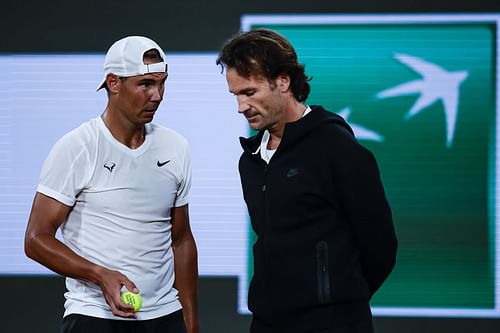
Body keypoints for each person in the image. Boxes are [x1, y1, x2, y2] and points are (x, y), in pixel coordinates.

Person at [216, 29, 398, 333]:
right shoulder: (250, 161)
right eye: (236, 95)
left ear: (283, 81)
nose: (241, 106)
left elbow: (381, 246)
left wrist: (338, 299)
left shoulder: (336, 148)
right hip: (267, 323)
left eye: (249, 93)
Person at [24, 36, 199, 333]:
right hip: (95, 317)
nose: (156, 95)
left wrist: (190, 319)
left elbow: (181, 239)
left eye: (162, 83)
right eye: (145, 84)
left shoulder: (176, 147)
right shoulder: (78, 147)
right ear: (113, 83)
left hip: (167, 317)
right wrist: (99, 274)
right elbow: (36, 239)